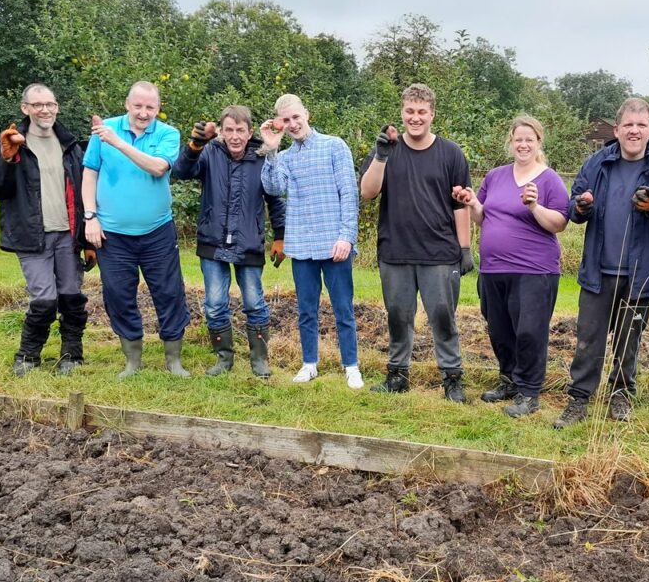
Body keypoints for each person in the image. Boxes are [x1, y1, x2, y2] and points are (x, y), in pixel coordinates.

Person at [553, 98, 649, 429]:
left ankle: (621, 394)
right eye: (628, 125)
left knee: (629, 340)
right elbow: (574, 208)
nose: (634, 131)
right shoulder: (597, 163)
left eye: (641, 125)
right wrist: (581, 207)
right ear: (617, 129)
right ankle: (579, 399)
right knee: (588, 338)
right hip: (598, 270)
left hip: (640, 272)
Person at [359, 83, 474, 402]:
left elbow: (460, 204)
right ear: (402, 112)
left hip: (440, 252)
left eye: (422, 111)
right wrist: (380, 156)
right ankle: (397, 375)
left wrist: (464, 248)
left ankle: (452, 378)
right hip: (395, 251)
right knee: (398, 316)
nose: (415, 117)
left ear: (432, 114)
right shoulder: (387, 149)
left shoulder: (451, 153)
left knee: (442, 317)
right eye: (410, 111)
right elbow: (367, 193)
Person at [452, 116, 568, 418]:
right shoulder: (496, 176)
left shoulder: (548, 179)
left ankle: (529, 392)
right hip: (493, 269)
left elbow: (560, 222)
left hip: (534, 270)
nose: (523, 144)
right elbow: (482, 216)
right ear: (511, 141)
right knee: (500, 330)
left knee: (529, 331)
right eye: (519, 139)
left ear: (538, 143)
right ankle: (509, 380)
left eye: (530, 139)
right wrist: (471, 202)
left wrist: (534, 206)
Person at [82, 81, 191, 379]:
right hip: (113, 235)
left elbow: (158, 168)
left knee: (169, 293)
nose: (144, 113)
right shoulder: (104, 128)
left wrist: (117, 142)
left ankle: (173, 360)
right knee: (118, 295)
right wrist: (90, 217)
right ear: (128, 103)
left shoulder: (168, 133)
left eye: (150, 107)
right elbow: (90, 173)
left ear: (158, 108)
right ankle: (132, 361)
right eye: (138, 106)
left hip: (157, 231)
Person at [0, 83, 93, 376]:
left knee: (71, 296)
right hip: (31, 235)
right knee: (44, 299)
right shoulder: (12, 142)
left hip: (68, 234)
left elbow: (84, 191)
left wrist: (87, 238)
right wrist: (7, 159)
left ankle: (72, 354)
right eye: (37, 105)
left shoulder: (70, 145)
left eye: (50, 104)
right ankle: (28, 355)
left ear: (56, 107)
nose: (45, 110)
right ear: (25, 109)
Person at [171, 105, 286, 379]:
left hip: (249, 244)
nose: (235, 136)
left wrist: (280, 236)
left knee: (254, 302)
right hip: (212, 241)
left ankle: (259, 359)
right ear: (221, 132)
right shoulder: (210, 152)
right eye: (229, 130)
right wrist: (196, 144)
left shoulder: (262, 157)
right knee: (214, 303)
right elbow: (181, 171)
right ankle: (224, 358)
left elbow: (275, 198)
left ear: (249, 132)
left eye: (240, 130)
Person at [259, 94, 362, 388]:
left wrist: (347, 236)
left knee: (343, 308)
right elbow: (274, 188)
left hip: (334, 243)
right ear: (280, 123)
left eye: (296, 117)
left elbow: (348, 193)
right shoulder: (285, 157)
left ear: (307, 114)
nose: (293, 124)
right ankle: (309, 363)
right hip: (302, 244)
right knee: (306, 309)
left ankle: (351, 365)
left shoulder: (334, 146)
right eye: (286, 120)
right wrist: (271, 149)